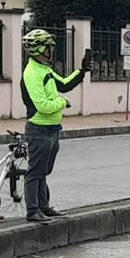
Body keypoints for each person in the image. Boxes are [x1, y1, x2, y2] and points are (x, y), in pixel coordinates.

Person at [20, 28, 92, 223]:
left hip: (52, 129)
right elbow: (42, 106)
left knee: (44, 170)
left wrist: (81, 71)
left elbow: (63, 84)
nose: (52, 50)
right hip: (39, 128)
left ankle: (44, 207)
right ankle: (33, 211)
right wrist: (62, 102)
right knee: (35, 172)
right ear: (39, 50)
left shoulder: (45, 69)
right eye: (49, 47)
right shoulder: (33, 73)